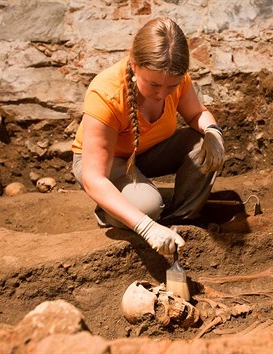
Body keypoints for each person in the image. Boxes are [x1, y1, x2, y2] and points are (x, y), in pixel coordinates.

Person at [71, 18, 225, 257]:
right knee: (148, 207)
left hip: (147, 152)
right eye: (153, 84)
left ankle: (178, 221)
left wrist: (213, 132)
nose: (161, 94)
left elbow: (197, 114)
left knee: (202, 145)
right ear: (134, 66)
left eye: (171, 87)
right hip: (106, 163)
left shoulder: (176, 78)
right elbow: (94, 177)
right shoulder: (106, 93)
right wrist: (146, 226)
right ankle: (115, 211)